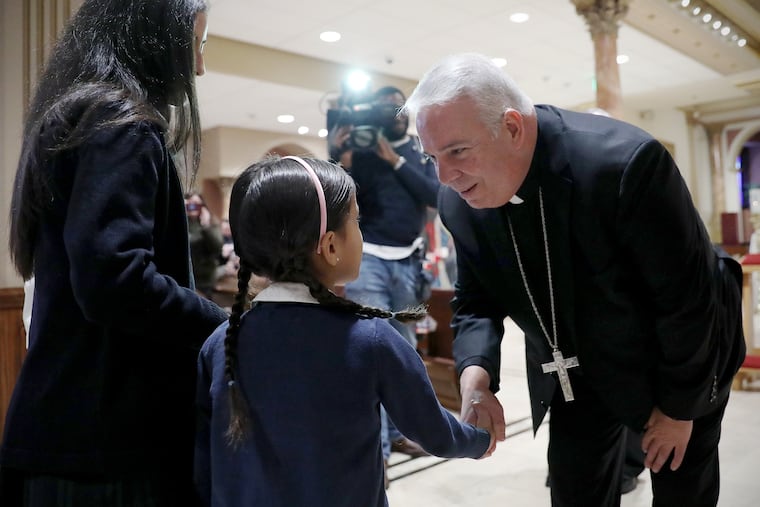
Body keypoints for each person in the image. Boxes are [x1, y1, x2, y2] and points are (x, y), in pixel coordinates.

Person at [403, 52, 746, 507]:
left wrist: (680, 410)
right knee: (574, 490)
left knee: (682, 487)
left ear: (511, 127)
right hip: (573, 367)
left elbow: (687, 301)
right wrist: (476, 374)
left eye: (457, 151)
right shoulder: (459, 202)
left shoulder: (624, 165)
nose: (444, 176)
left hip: (679, 356)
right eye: (431, 156)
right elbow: (476, 299)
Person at [1, 1, 228, 505]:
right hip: (109, 445)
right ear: (155, 34)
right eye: (198, 44)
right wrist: (227, 325)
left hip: (67, 433)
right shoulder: (120, 122)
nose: (199, 66)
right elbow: (115, 279)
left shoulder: (77, 114)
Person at [193, 156, 494, 507]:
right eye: (357, 220)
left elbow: (204, 456)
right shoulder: (372, 340)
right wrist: (480, 439)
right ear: (332, 245)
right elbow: (434, 433)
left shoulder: (221, 342)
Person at [328, 85, 440, 463]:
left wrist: (395, 161)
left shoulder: (419, 150)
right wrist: (338, 155)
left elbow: (435, 197)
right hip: (370, 259)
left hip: (409, 260)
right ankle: (377, 450)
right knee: (373, 351)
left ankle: (400, 434)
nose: (397, 114)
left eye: (401, 107)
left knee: (404, 353)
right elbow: (339, 196)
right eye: (387, 109)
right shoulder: (359, 151)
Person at [186, 192, 224, 297]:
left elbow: (217, 247)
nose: (193, 207)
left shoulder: (210, 222)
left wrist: (206, 225)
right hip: (185, 276)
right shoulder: (181, 221)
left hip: (205, 280)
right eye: (190, 204)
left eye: (196, 204)